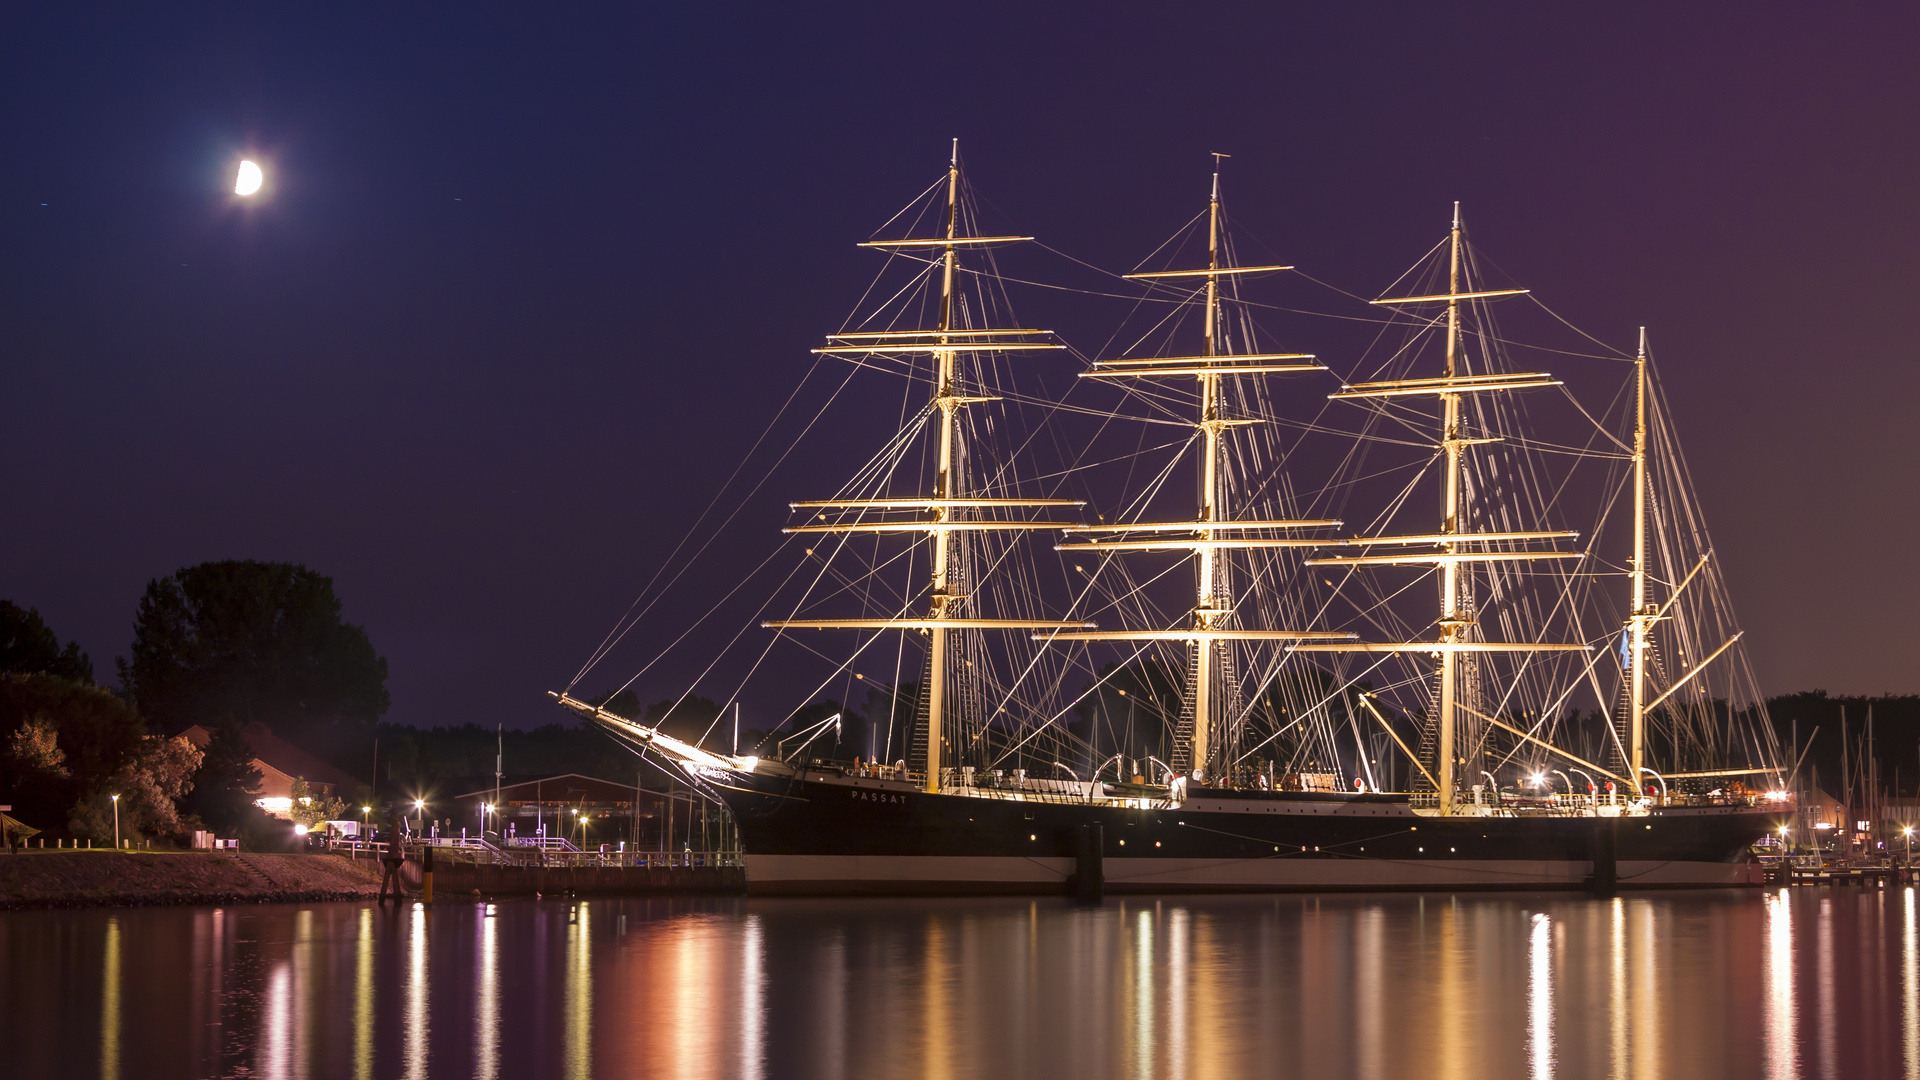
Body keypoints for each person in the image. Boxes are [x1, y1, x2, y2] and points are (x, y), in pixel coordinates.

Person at [377, 813, 408, 902]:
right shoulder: (396, 823)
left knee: (394, 845)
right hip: (395, 838)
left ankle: (384, 897)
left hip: (395, 838)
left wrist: (393, 835)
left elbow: (394, 831)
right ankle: (397, 897)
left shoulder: (395, 823)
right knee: (394, 845)